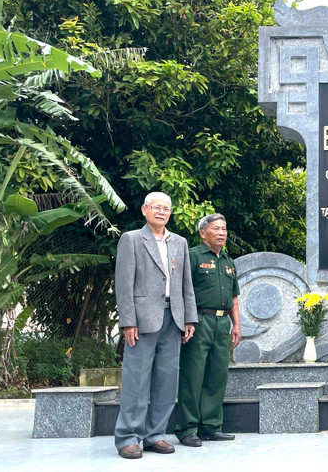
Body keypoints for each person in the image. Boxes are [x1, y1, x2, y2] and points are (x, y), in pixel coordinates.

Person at [113, 192, 197, 459]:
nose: (162, 212)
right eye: (156, 207)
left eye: (167, 208)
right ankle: (128, 437)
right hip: (142, 320)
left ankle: (155, 435)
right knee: (136, 380)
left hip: (173, 319)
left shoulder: (180, 242)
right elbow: (124, 284)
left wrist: (189, 318)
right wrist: (128, 321)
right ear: (144, 210)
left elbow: (186, 284)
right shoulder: (132, 239)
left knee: (166, 380)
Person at [175, 213, 242, 446]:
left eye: (224, 229)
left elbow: (233, 296)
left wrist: (237, 324)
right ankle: (187, 429)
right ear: (203, 233)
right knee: (193, 377)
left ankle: (211, 426)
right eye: (216, 229)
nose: (222, 233)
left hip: (222, 323)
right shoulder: (192, 256)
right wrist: (187, 320)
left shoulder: (228, 261)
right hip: (199, 322)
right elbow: (183, 290)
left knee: (217, 375)